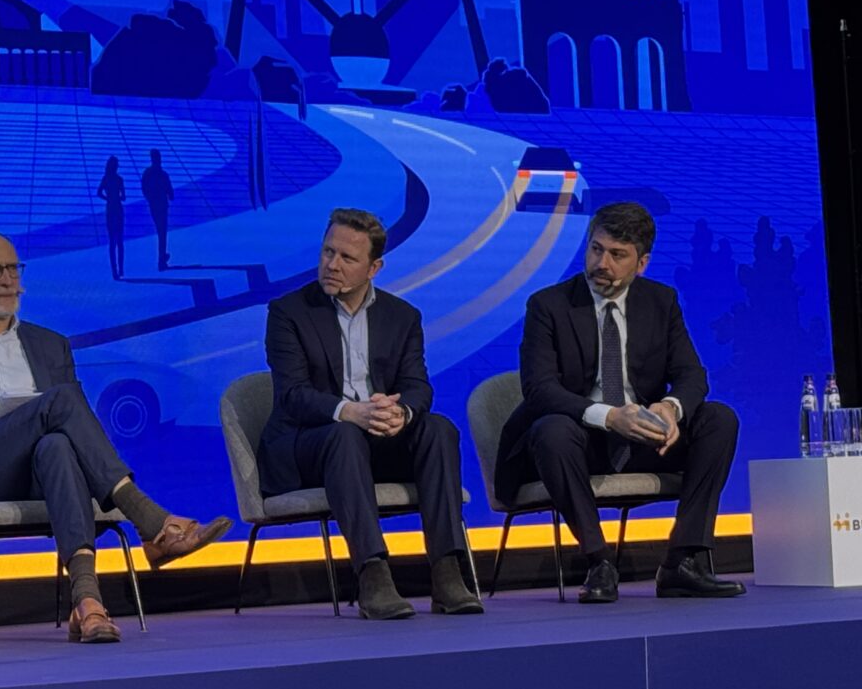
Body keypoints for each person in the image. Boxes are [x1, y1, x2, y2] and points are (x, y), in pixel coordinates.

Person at [0, 232, 232, 642]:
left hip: (39, 471)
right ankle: (149, 520)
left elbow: (74, 428)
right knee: (62, 400)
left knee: (57, 446)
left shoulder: (51, 344)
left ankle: (88, 604)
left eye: (13, 268)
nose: (7, 280)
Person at [497, 202, 744, 603]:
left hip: (643, 440)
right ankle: (598, 562)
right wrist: (611, 417)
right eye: (596, 249)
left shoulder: (661, 301)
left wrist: (669, 408)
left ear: (641, 263)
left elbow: (691, 375)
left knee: (719, 419)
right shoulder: (548, 305)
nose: (602, 263)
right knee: (552, 430)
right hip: (579, 442)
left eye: (617, 255)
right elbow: (539, 390)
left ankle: (683, 560)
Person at [258, 209, 483, 619]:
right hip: (308, 446)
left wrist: (401, 413)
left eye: (347, 258)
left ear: (374, 268)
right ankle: (373, 574)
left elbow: (418, 386)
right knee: (344, 434)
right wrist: (351, 412)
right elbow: (293, 395)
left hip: (375, 443)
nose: (332, 265)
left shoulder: (402, 317)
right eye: (328, 252)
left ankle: (448, 572)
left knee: (438, 429)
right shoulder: (288, 312)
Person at [140, 148, 174, 270]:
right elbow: (171, 193)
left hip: (154, 206)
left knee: (161, 231)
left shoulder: (147, 173)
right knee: (162, 232)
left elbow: (144, 189)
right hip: (162, 206)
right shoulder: (162, 174)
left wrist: (150, 199)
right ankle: (161, 258)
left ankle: (162, 256)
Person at [96, 155, 125, 279]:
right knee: (120, 241)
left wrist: (107, 198)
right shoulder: (119, 179)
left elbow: (99, 192)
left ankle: (114, 270)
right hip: (118, 209)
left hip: (110, 209)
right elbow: (124, 196)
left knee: (112, 241)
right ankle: (121, 268)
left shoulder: (106, 178)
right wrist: (118, 197)